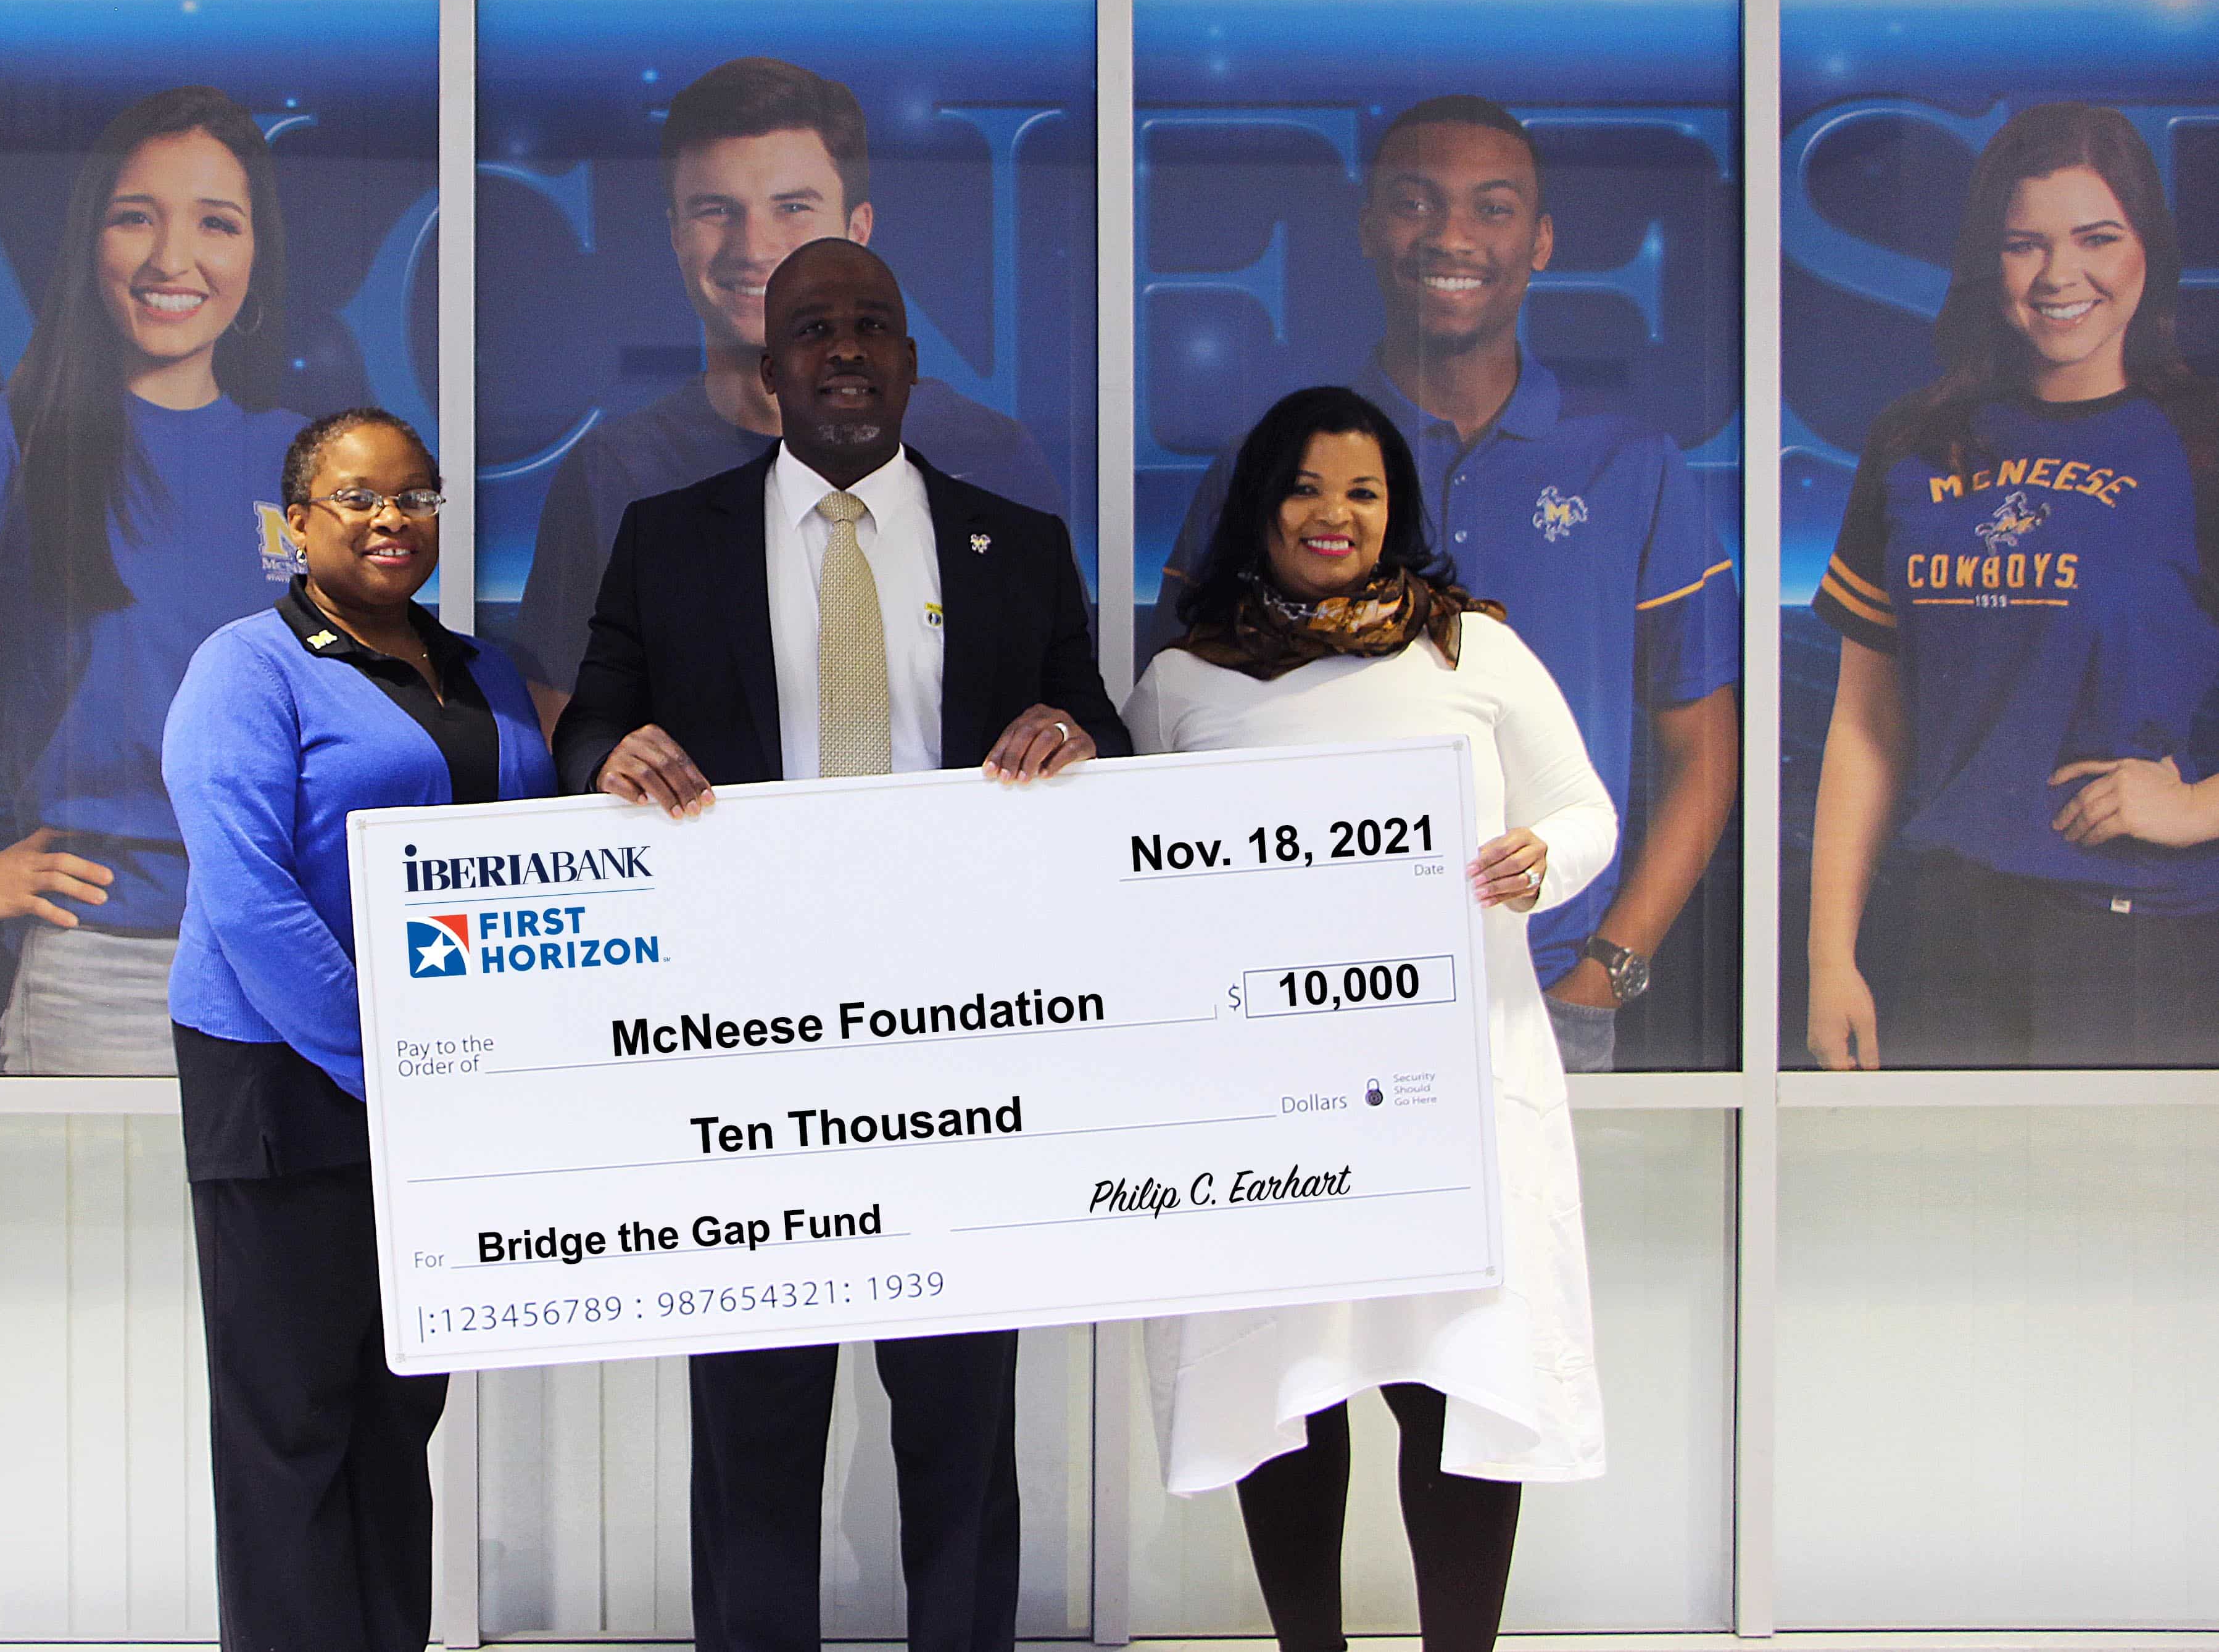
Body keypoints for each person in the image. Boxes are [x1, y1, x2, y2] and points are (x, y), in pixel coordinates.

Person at [554, 237, 1126, 1652]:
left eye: (872, 324)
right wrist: (603, 753)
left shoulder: (1017, 543)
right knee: (752, 1422)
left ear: (912, 364)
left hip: (962, 1050)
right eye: (813, 329)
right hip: (747, 1051)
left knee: (957, 1422)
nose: (846, 350)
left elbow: (1093, 730)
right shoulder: (666, 535)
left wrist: (1077, 736)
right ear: (767, 372)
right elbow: (585, 727)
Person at [1128, 385, 1616, 1652]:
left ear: (1394, 509)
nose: (1331, 515)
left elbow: (1583, 812)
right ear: (1257, 504)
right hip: (1263, 1105)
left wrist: (1535, 857)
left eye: (1361, 490)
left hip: (1445, 1097)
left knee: (1448, 1376)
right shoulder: (1185, 680)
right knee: (1283, 1382)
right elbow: (1128, 876)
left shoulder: (1470, 650)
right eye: (1303, 486)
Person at [1159, 93, 1739, 1073]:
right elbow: (1179, 735)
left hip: (1543, 998)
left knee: (1545, 1236)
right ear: (1369, 230)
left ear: (1542, 241)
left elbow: (1703, 750)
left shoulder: (1629, 463)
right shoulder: (1272, 463)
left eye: (1494, 207)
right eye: (1417, 202)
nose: (1454, 235)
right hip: (1306, 994)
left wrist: (1605, 969)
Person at [163, 409, 555, 1649]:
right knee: (291, 1426)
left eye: (414, 495)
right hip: (284, 1082)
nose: (391, 519)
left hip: (440, 1085)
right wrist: (381, 1052)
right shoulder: (248, 663)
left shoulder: (481, 668)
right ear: (295, 524)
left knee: (397, 1413)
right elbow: (246, 896)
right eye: (356, 497)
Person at [0, 86, 304, 1073]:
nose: (174, 259)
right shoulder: (0, 444)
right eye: (137, 218)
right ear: (91, 245)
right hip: (109, 981)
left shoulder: (304, 461)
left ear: (255, 264)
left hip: (302, 961)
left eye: (217, 222)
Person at [1806, 102, 2219, 1069]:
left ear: (2146, 250)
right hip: (1943, 935)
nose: (2059, 276)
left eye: (2096, 239)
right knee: (1944, 1221)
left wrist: (2202, 806)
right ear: (1988, 266)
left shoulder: (2200, 442)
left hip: (2138, 949)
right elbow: (1865, 727)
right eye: (2024, 245)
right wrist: (1831, 957)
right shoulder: (1915, 442)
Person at [510, 55, 1064, 720]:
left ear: (859, 228)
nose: (755, 246)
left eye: (793, 207)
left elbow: (1061, 709)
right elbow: (568, 732)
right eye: (717, 210)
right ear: (675, 234)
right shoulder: (614, 476)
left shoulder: (991, 458)